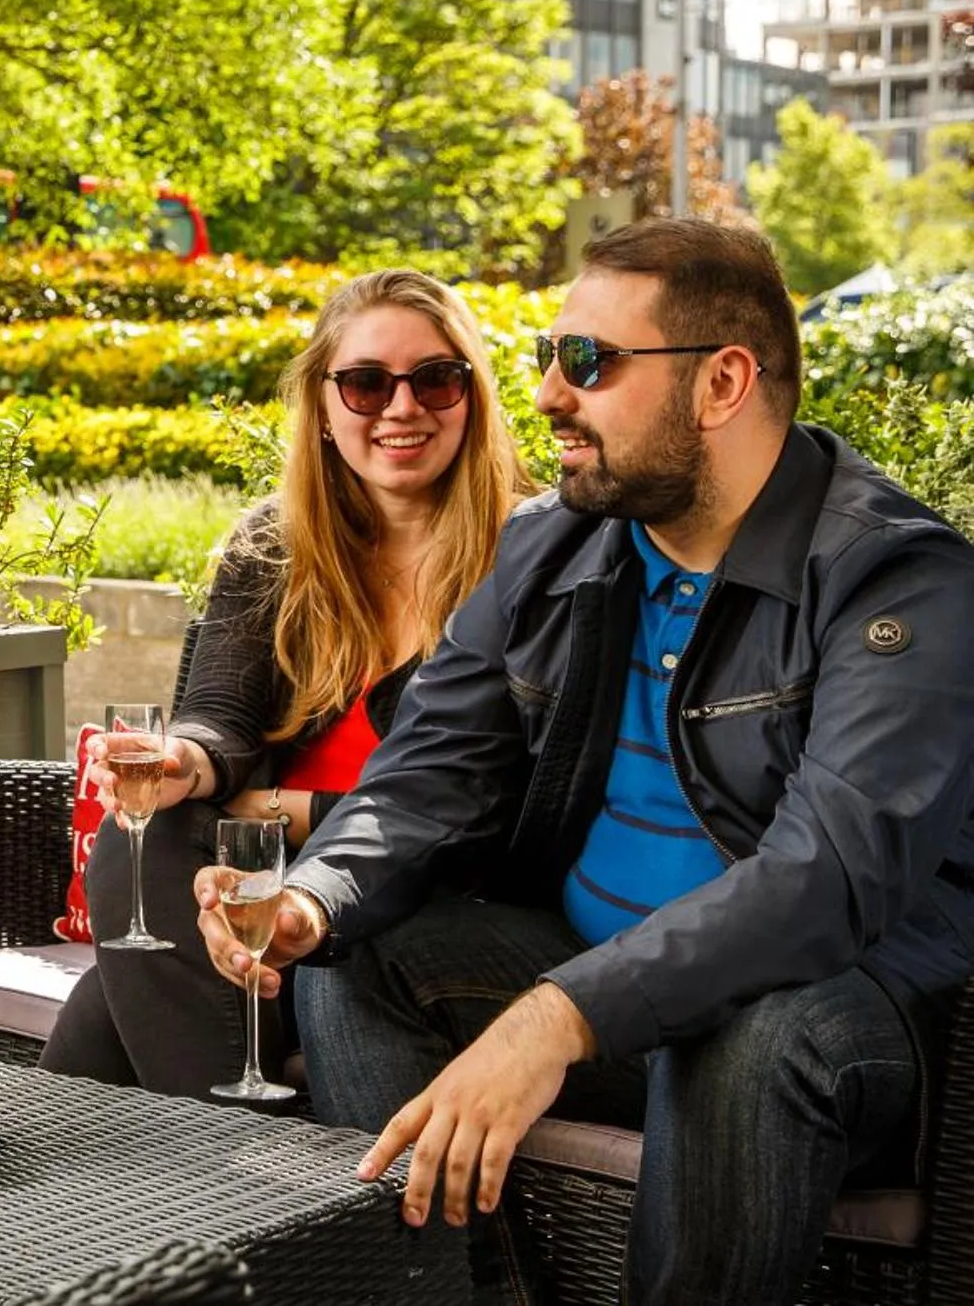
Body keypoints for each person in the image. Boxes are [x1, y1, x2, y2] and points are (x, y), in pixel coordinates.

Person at [197, 219, 974, 1304]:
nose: (552, 396)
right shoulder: (549, 544)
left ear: (722, 382)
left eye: (590, 363)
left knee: (743, 1029)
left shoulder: (893, 578)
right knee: (358, 955)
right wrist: (311, 900)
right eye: (548, 359)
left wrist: (559, 1013)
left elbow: (823, 884)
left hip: (845, 1017)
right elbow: (427, 773)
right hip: (589, 970)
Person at [41, 268, 532, 1096]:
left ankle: (195, 1195)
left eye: (436, 379)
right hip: (248, 905)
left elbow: (478, 804)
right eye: (367, 383)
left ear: (473, 396)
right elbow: (219, 714)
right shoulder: (276, 544)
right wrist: (187, 763)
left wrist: (275, 810)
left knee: (111, 1000)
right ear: (325, 408)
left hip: (416, 905)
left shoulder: (528, 553)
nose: (402, 407)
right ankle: (236, 1183)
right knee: (152, 843)